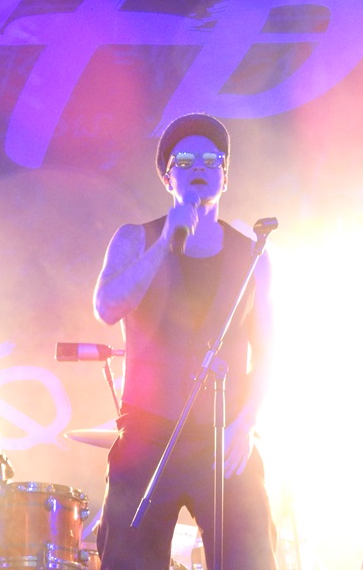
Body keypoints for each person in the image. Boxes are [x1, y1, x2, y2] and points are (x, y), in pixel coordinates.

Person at [92, 113, 277, 569]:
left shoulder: (252, 253)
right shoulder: (136, 238)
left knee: (250, 557)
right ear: (167, 175)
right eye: (186, 159)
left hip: (223, 433)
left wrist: (245, 424)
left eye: (212, 160)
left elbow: (268, 352)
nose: (199, 167)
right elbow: (107, 307)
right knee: (128, 559)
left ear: (225, 176)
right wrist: (165, 244)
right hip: (146, 432)